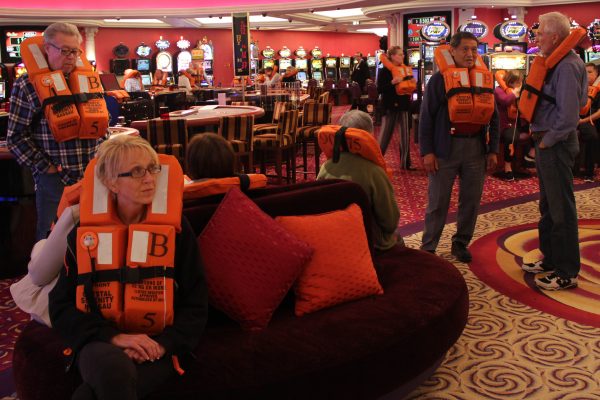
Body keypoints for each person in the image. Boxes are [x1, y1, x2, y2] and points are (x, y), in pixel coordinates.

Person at [49, 134, 208, 399]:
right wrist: (114, 337)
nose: (149, 178)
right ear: (111, 182)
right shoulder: (84, 234)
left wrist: (163, 344)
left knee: (88, 395)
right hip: (100, 342)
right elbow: (61, 306)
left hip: (158, 343)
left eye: (152, 168)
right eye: (136, 172)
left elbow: (196, 300)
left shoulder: (177, 230)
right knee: (112, 369)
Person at [7, 22, 104, 241]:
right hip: (55, 180)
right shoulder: (27, 85)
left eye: (74, 51)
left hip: (92, 175)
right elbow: (15, 137)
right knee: (51, 240)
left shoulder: (88, 79)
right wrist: (47, 168)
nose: (70, 56)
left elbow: (99, 125)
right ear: (46, 49)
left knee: (92, 236)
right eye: (64, 50)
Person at [520, 12, 587, 290]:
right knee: (548, 206)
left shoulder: (567, 66)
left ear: (555, 36)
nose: (536, 38)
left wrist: (547, 142)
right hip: (547, 141)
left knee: (561, 210)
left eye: (540, 34)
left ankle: (567, 270)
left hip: (555, 143)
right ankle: (551, 258)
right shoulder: (556, 62)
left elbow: (569, 116)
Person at [419, 31, 499, 262]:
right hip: (445, 149)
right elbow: (427, 118)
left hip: (475, 149)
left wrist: (493, 149)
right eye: (464, 49)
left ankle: (460, 243)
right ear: (452, 51)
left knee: (471, 201)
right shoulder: (438, 80)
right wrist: (428, 152)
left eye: (474, 49)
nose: (470, 54)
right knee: (438, 202)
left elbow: (494, 118)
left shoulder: (484, 78)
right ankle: (429, 247)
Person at [317, 110, 402, 253]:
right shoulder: (374, 171)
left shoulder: (326, 167)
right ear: (369, 135)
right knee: (398, 237)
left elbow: (318, 206)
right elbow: (390, 221)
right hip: (370, 242)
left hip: (333, 237)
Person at [377, 46, 414, 169]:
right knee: (385, 136)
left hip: (404, 105)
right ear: (392, 56)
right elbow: (379, 89)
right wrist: (392, 83)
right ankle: (377, 161)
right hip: (390, 106)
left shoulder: (405, 69)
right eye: (400, 54)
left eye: (403, 54)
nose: (403, 56)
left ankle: (405, 163)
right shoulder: (385, 71)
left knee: (405, 136)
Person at [494, 70, 533, 181]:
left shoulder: (522, 91)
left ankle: (524, 163)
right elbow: (505, 101)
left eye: (519, 82)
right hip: (504, 124)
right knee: (511, 136)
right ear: (510, 81)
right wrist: (514, 93)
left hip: (520, 122)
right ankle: (507, 166)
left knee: (536, 131)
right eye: (516, 82)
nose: (518, 84)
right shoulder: (498, 90)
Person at [576, 62, 600, 182]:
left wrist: (583, 120)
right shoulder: (579, 87)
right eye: (584, 73)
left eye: (590, 72)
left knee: (593, 133)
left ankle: (591, 169)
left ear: (596, 74)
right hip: (578, 120)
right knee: (591, 135)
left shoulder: (598, 89)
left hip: (589, 120)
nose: (587, 75)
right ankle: (584, 171)